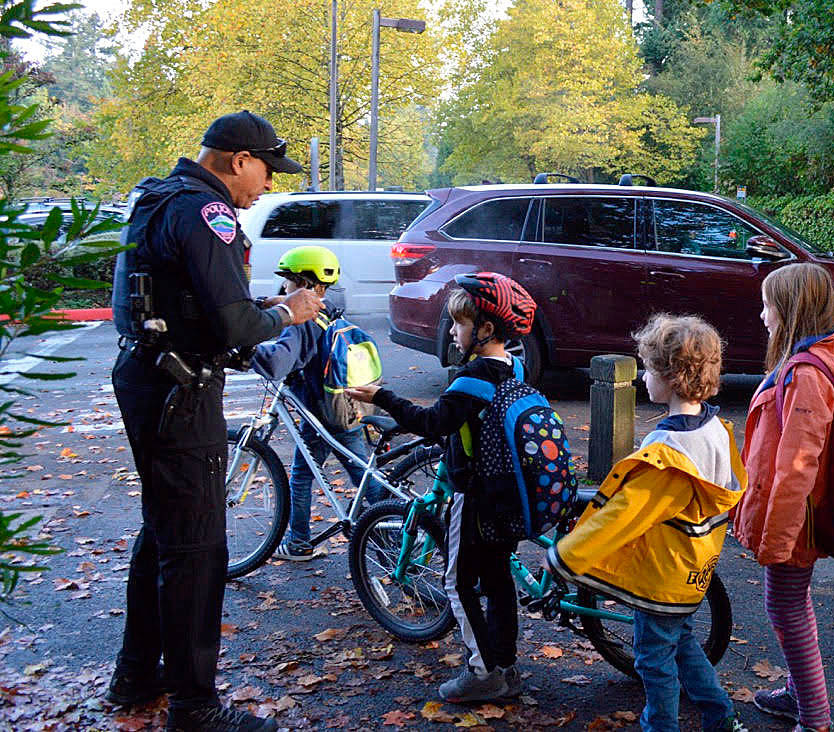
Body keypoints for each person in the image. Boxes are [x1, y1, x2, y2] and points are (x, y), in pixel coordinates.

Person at [107, 110, 323, 732]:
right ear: (238, 160)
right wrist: (289, 313)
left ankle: (136, 674)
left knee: (163, 530)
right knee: (197, 547)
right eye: (266, 171)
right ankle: (195, 706)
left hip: (146, 377)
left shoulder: (158, 196)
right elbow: (234, 327)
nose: (268, 185)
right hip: (180, 394)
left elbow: (188, 301)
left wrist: (259, 307)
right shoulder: (208, 212)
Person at [547, 314, 747, 732]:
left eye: (649, 369)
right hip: (693, 568)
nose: (642, 377)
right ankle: (720, 714)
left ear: (672, 377)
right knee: (683, 644)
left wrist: (566, 556)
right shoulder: (715, 428)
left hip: (661, 577)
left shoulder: (668, 453)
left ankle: (661, 726)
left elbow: (623, 515)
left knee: (653, 661)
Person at [347, 272, 535, 704]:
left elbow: (433, 422)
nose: (451, 330)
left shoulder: (473, 378)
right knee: (498, 579)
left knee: (457, 582)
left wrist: (383, 397)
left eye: (459, 324)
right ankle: (505, 666)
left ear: (484, 329)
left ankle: (483, 672)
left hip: (475, 498)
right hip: (506, 495)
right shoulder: (516, 367)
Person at [734, 262, 834, 732]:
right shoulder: (826, 356)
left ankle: (814, 717)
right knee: (793, 602)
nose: (762, 316)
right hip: (803, 513)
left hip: (797, 517)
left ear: (790, 310)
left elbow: (798, 464)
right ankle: (799, 693)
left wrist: (776, 539)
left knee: (785, 606)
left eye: (767, 306)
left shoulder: (806, 374)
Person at [249, 246, 387, 561]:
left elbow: (278, 362)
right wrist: (271, 303)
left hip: (322, 411)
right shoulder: (329, 307)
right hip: (342, 403)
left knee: (312, 475)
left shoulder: (303, 322)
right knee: (360, 473)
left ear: (302, 283)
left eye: (287, 281)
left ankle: (301, 542)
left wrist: (247, 352)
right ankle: (392, 536)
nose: (284, 286)